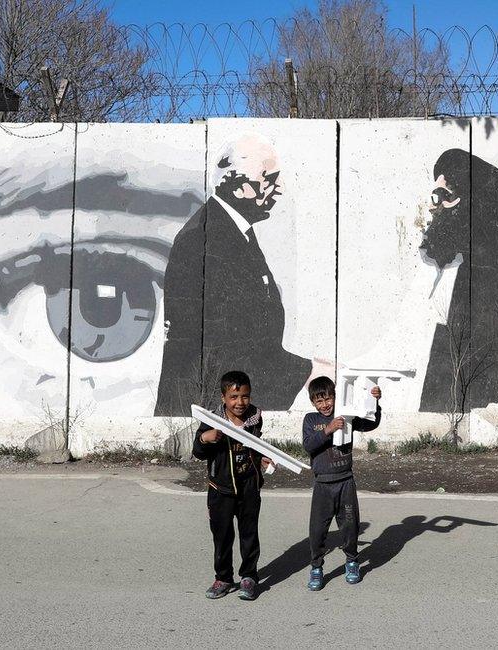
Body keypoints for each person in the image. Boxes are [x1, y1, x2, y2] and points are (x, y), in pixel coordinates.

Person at [155, 134, 311, 416]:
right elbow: (229, 340)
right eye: (269, 179)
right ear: (239, 187)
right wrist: (305, 372)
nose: (279, 188)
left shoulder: (233, 230)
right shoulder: (205, 240)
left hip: (224, 397)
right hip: (203, 406)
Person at [419, 149, 498, 412]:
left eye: (445, 196)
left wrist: (491, 421)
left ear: (475, 205)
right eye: (434, 196)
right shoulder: (448, 273)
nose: (433, 205)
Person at [192, 370, 273, 601]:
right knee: (222, 536)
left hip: (249, 487)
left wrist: (261, 459)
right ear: (223, 398)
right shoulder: (211, 420)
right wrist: (204, 439)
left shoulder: (255, 417)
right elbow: (197, 453)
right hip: (221, 490)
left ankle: (249, 576)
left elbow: (254, 447)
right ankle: (223, 578)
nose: (240, 402)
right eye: (234, 397)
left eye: (245, 396)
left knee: (249, 534)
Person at [301, 376, 382, 590]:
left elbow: (370, 423)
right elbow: (308, 445)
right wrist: (328, 430)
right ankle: (317, 567)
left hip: (345, 481)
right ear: (313, 403)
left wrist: (375, 402)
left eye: (328, 399)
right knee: (318, 529)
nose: (325, 404)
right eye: (319, 401)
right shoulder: (310, 420)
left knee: (349, 525)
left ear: (335, 398)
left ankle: (352, 561)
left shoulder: (346, 415)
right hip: (322, 484)